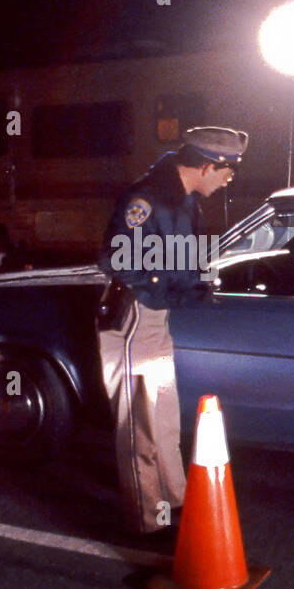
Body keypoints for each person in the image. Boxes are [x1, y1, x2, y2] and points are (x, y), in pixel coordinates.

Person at [96, 125, 246, 535]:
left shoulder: (184, 201)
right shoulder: (145, 199)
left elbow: (182, 261)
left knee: (162, 416)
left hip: (156, 315)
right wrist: (168, 287)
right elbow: (116, 260)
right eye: (226, 172)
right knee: (138, 425)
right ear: (206, 165)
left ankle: (175, 502)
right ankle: (147, 521)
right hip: (135, 314)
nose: (228, 180)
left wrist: (199, 289)